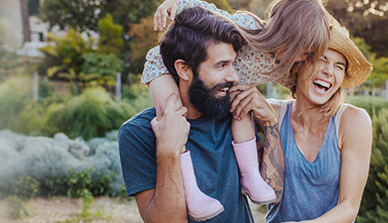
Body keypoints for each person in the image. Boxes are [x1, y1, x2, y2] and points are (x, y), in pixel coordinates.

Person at [143, 0, 332, 219]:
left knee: (243, 104)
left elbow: (305, 84)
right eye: (300, 51)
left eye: (307, 54)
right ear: (284, 33)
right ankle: (190, 189)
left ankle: (250, 175)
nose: (300, 58)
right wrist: (175, 3)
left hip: (223, 87)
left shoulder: (282, 64)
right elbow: (209, 13)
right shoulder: (247, 26)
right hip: (162, 65)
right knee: (171, 113)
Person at [118, 7, 284, 222]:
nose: (234, 76)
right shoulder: (138, 133)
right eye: (221, 65)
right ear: (184, 70)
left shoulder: (233, 114)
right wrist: (168, 150)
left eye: (232, 63)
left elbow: (275, 192)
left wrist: (269, 121)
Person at [231, 24, 373, 222]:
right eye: (321, 60)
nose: (329, 71)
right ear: (298, 64)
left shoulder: (352, 122)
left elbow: (349, 206)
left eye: (339, 66)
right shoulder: (271, 114)